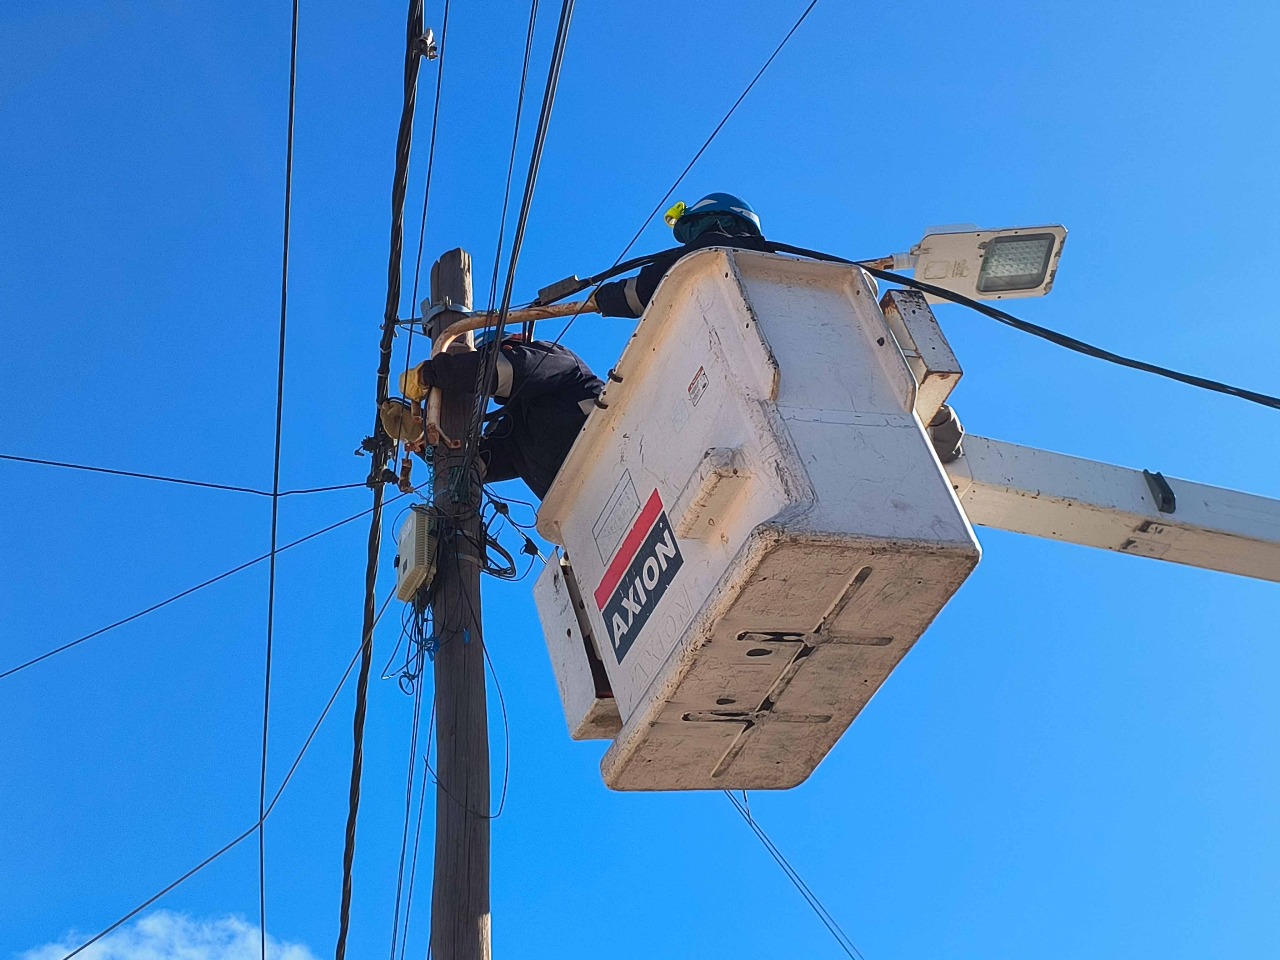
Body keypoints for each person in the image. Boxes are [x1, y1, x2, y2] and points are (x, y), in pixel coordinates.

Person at [385, 335, 603, 500]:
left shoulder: (556, 359)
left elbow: (509, 369)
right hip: (586, 509)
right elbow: (471, 464)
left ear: (512, 343)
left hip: (611, 449)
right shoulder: (514, 433)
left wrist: (431, 373)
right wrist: (421, 434)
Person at [594, 192, 770, 319]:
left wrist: (600, 299)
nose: (691, 240)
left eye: (694, 224)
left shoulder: (711, 246)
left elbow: (646, 288)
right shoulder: (769, 256)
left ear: (720, 217)